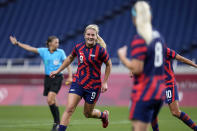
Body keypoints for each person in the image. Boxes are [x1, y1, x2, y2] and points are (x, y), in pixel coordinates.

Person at [50, 24, 112, 131]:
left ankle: (103, 115)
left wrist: (105, 82)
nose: (90, 37)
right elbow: (70, 58)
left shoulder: (101, 50)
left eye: (93, 35)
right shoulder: (79, 47)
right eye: (88, 34)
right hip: (78, 82)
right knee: (69, 109)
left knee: (87, 113)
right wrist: (58, 70)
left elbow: (109, 64)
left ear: (96, 36)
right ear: (84, 35)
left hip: (93, 86)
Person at [118, 1, 166, 131]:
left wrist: (122, 57)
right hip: (159, 91)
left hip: (144, 91)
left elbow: (137, 69)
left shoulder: (140, 37)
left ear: (135, 18)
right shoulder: (159, 36)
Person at [9, 36, 72, 131]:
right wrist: (17, 43)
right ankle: (58, 122)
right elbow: (30, 48)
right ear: (50, 43)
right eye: (55, 42)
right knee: (52, 100)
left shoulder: (61, 52)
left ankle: (56, 123)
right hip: (47, 78)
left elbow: (67, 63)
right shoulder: (43, 51)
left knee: (50, 99)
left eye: (58, 42)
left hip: (57, 77)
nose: (57, 44)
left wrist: (70, 76)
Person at [151, 48, 197, 131]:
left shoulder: (166, 51)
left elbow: (181, 59)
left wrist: (195, 66)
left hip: (168, 84)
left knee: (175, 112)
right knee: (152, 112)